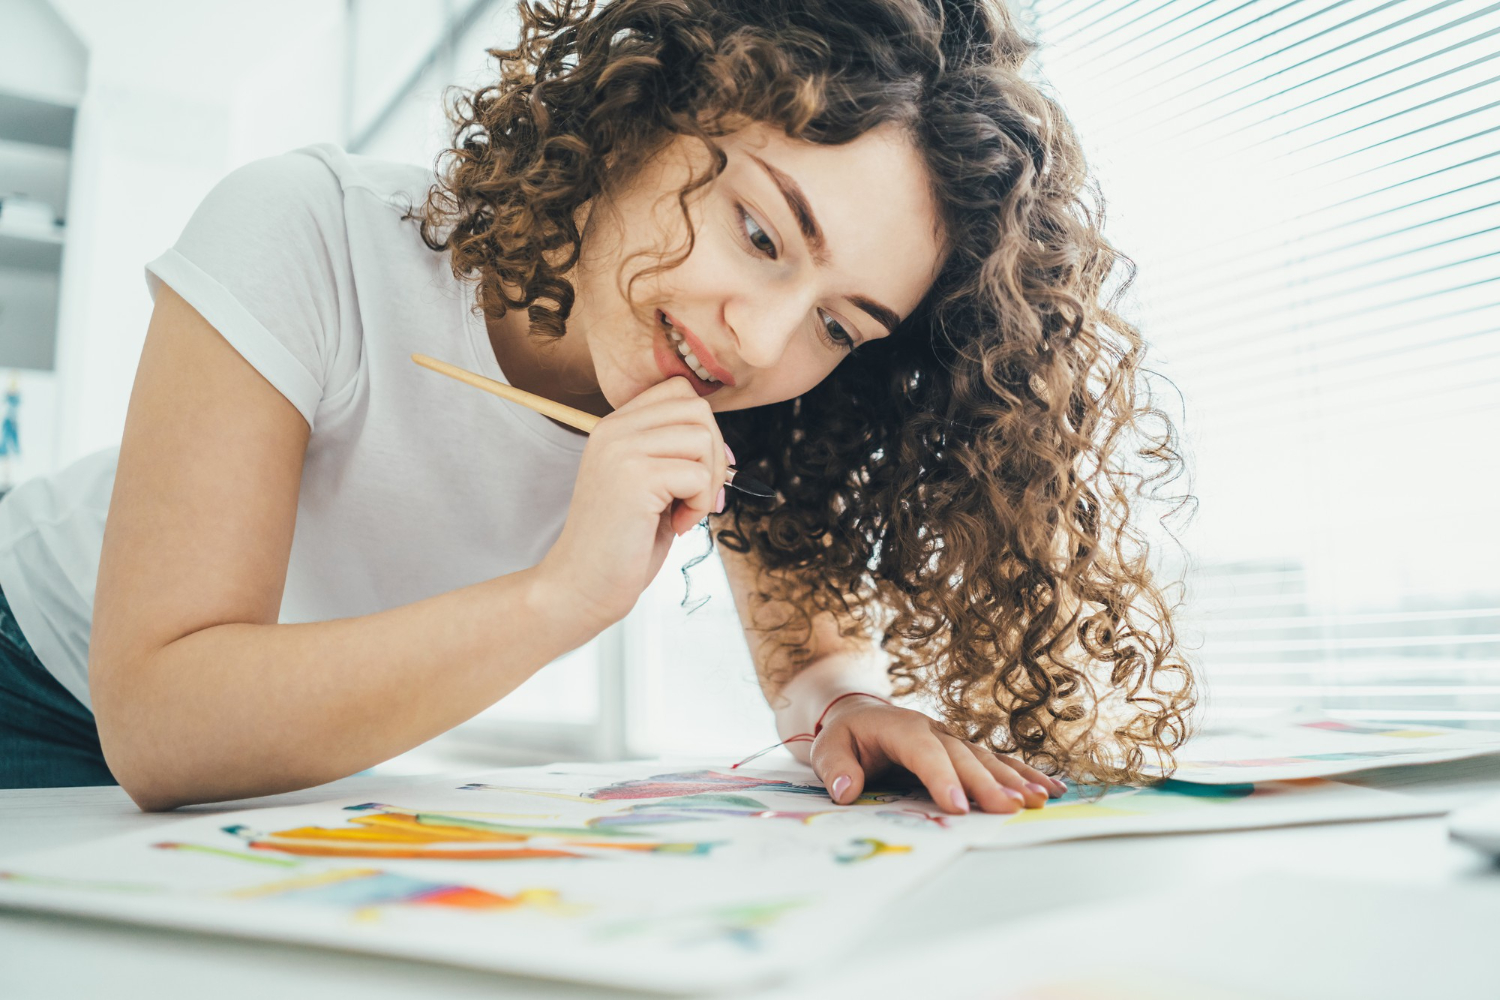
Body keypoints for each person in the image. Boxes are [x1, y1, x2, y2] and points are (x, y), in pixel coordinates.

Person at [0, 0, 1193, 809]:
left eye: (840, 326)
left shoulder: (742, 394)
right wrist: (558, 599)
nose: (765, 340)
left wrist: (850, 709)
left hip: (270, 765)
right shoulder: (306, 229)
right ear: (650, 108)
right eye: (763, 231)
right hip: (37, 665)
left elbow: (812, 659)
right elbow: (158, 720)